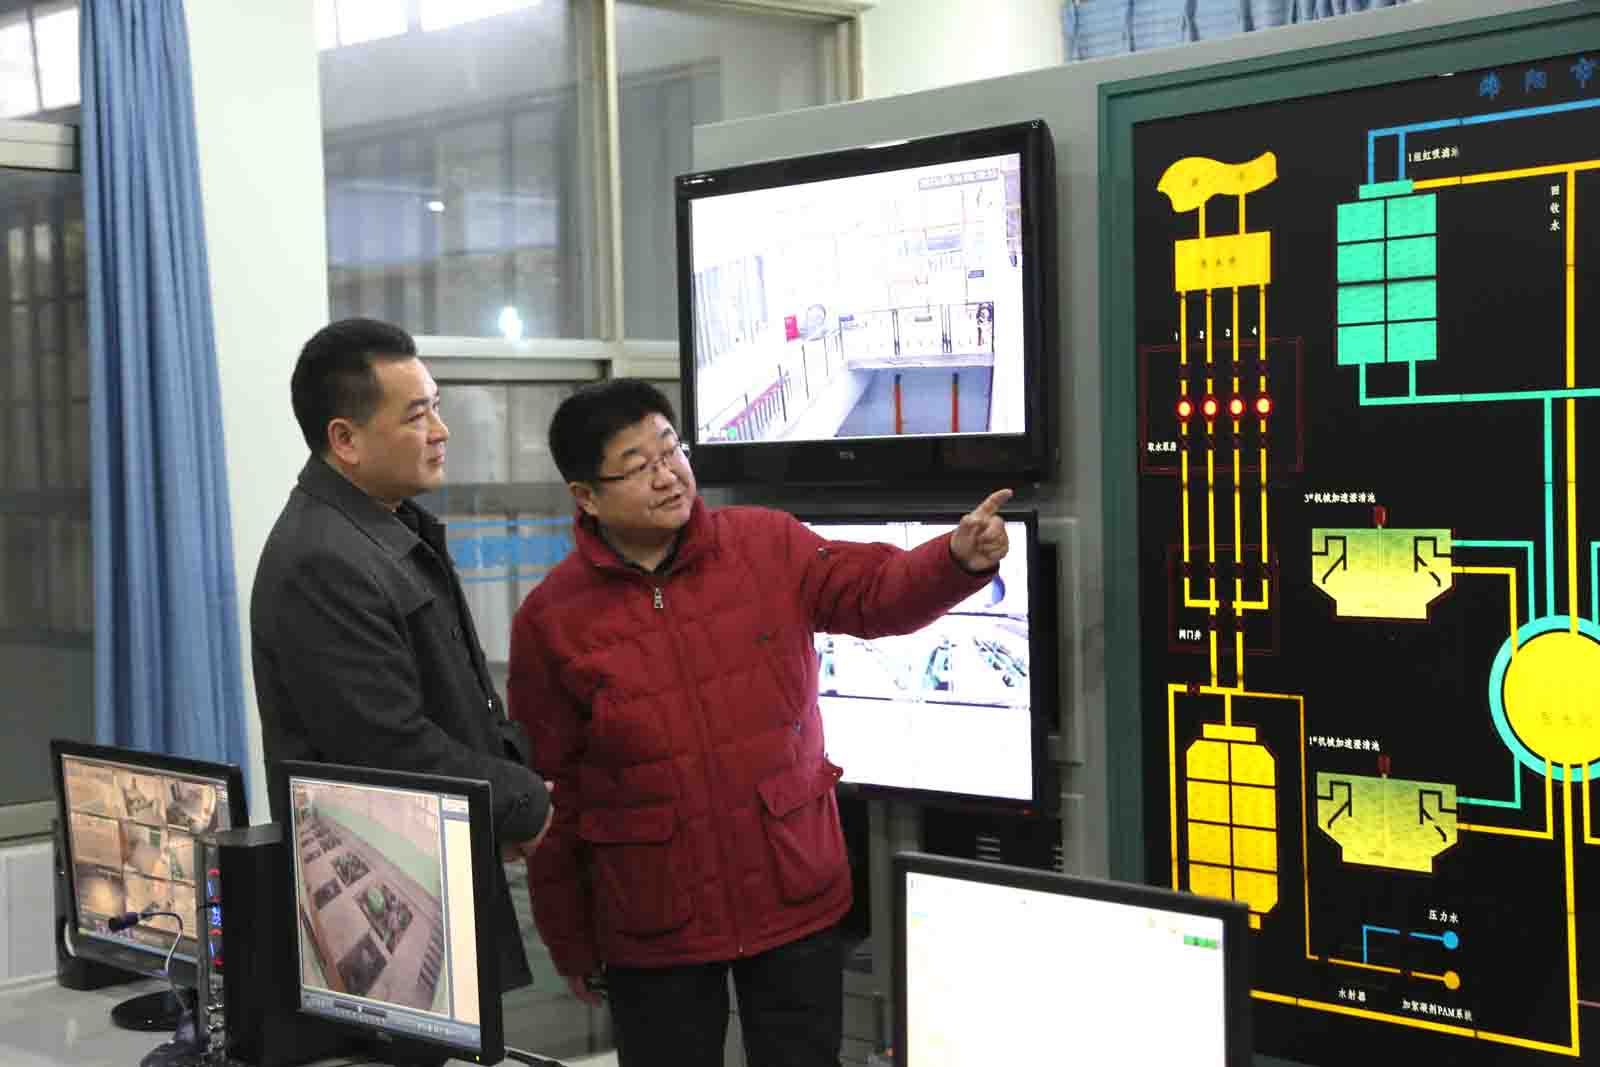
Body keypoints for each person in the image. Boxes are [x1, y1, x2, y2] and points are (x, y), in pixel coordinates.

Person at [507, 379, 1011, 1067]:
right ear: (586, 496)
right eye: (638, 465)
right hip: (654, 919)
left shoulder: (765, 543)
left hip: (791, 889)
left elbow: (872, 593)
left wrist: (954, 560)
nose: (668, 476)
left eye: (671, 450)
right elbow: (554, 792)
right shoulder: (552, 619)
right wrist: (570, 937)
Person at [251, 317, 553, 1007]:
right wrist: (522, 802)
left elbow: (459, 697)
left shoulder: (390, 527)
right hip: (387, 911)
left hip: (434, 870)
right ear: (345, 440)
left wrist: (505, 791)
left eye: (436, 407)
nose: (441, 431)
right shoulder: (323, 559)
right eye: (417, 416)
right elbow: (388, 748)